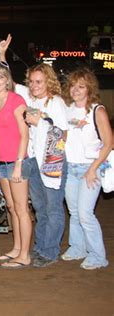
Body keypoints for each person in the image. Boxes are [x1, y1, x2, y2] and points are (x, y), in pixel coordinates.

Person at [0, 34, 69, 268]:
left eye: (39, 82)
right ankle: (40, 248)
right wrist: (2, 55)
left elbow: (64, 134)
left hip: (53, 161)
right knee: (40, 208)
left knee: (53, 208)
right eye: (32, 81)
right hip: (35, 162)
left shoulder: (55, 103)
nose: (34, 85)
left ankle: (49, 252)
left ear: (48, 82)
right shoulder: (30, 98)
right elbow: (7, 82)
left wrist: (43, 122)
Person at [0, 60, 31, 268]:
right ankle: (17, 249)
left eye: (1, 77)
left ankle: (25, 255)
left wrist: (19, 163)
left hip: (16, 161)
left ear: (7, 80)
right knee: (11, 207)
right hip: (1, 163)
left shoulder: (16, 100)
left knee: (21, 209)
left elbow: (24, 133)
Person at [62, 68, 111, 270]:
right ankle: (77, 247)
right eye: (73, 86)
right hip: (70, 168)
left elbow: (108, 143)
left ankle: (98, 256)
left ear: (89, 88)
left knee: (85, 214)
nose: (76, 90)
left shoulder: (97, 110)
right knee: (74, 212)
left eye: (81, 86)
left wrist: (93, 169)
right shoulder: (67, 109)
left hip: (90, 168)